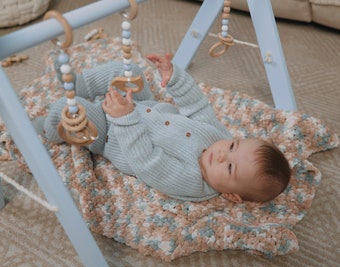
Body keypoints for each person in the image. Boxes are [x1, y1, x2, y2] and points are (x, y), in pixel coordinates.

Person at [34, 54, 291, 203]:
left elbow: (147, 162)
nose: (223, 153)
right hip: (145, 105)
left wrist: (123, 118)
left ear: (232, 195)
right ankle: (84, 85)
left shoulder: (192, 182)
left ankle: (46, 128)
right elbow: (197, 106)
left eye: (230, 167)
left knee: (73, 111)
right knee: (128, 71)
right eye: (234, 146)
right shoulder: (219, 138)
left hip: (113, 134)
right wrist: (174, 77)